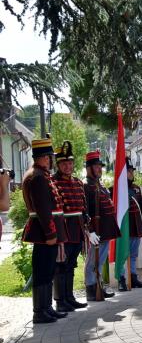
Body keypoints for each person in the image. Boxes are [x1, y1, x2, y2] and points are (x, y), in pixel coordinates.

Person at [22, 137, 69, 323]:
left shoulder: (42, 175)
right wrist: (51, 234)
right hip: (44, 234)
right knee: (43, 272)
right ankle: (39, 312)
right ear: (41, 157)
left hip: (45, 233)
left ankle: (46, 307)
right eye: (49, 157)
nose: (50, 161)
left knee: (47, 271)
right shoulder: (37, 177)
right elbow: (43, 209)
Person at [51, 141, 88, 312]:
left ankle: (70, 297)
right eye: (64, 163)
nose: (68, 166)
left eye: (70, 163)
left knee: (72, 265)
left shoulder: (79, 182)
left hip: (78, 229)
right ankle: (60, 300)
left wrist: (86, 221)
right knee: (61, 265)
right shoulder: (54, 183)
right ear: (58, 165)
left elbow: (83, 206)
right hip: (64, 230)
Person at [84, 150, 120, 301]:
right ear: (89, 168)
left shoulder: (99, 184)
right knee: (93, 260)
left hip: (105, 230)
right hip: (96, 231)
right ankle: (91, 289)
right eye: (96, 166)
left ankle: (98, 285)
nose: (99, 169)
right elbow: (85, 210)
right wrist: (90, 231)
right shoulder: (87, 186)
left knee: (100, 260)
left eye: (100, 166)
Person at [115, 158, 142, 291]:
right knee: (123, 254)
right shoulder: (116, 189)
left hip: (136, 226)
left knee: (134, 254)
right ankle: (122, 279)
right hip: (124, 228)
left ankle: (133, 277)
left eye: (131, 171)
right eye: (128, 171)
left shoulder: (136, 189)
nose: (130, 173)